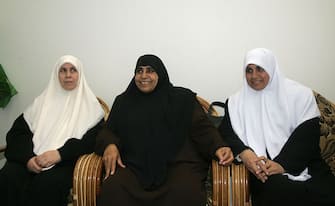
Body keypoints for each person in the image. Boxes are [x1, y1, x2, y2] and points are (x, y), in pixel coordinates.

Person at [95, 54, 233, 206]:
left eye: (150, 71)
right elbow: (106, 131)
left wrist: (219, 146)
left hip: (177, 164)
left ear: (160, 74)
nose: (143, 76)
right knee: (113, 189)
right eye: (139, 71)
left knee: (186, 191)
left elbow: (202, 128)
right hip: (133, 166)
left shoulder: (182, 99)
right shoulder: (123, 101)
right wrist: (110, 144)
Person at [219, 48, 335, 206]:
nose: (254, 76)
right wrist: (246, 154)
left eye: (260, 69)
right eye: (249, 70)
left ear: (271, 68)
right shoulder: (235, 103)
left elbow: (308, 135)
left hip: (304, 163)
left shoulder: (300, 95)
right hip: (262, 172)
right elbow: (226, 133)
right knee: (278, 192)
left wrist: (282, 164)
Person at [0, 55, 105, 206]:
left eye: (73, 70)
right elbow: (17, 134)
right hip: (32, 159)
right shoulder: (41, 103)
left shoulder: (92, 108)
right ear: (57, 74)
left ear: (80, 74)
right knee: (8, 177)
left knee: (47, 184)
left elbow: (91, 141)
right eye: (63, 70)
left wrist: (60, 154)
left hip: (64, 162)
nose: (68, 75)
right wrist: (28, 159)